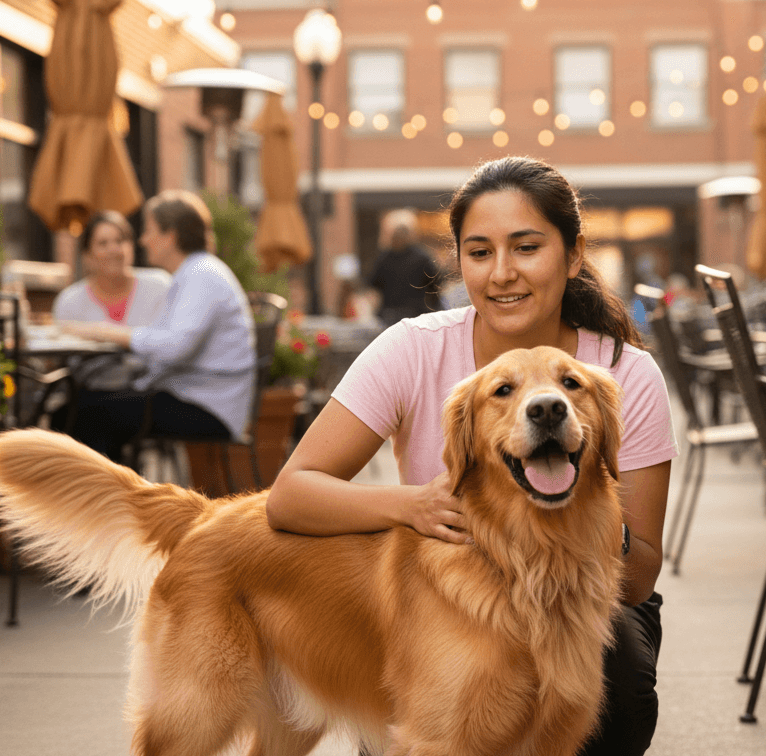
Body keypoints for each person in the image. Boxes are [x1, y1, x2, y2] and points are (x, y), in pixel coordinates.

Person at [266, 156, 677, 756]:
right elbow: (292, 493)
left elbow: (638, 575)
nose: (502, 273)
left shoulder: (622, 375)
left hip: (584, 596)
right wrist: (413, 504)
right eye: (480, 252)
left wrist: (573, 525)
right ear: (458, 261)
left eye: (527, 247)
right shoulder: (413, 349)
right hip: (449, 592)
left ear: (573, 254)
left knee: (624, 686)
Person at [57, 190, 256, 463]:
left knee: (83, 413)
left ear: (169, 236)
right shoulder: (194, 274)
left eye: (149, 231)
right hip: (202, 399)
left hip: (208, 408)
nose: (143, 240)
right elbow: (169, 342)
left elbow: (176, 347)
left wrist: (113, 333)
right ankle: (121, 498)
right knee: (86, 407)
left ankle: (115, 500)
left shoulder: (202, 277)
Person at [50, 210, 171, 391]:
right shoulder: (69, 302)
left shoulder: (160, 285)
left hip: (153, 394)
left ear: (132, 246)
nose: (114, 249)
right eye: (103, 243)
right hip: (92, 397)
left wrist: (98, 332)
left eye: (120, 240)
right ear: (87, 255)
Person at [369, 208, 441, 325]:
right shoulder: (422, 257)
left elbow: (373, 284)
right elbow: (436, 284)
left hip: (394, 315)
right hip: (414, 314)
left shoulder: (384, 258)